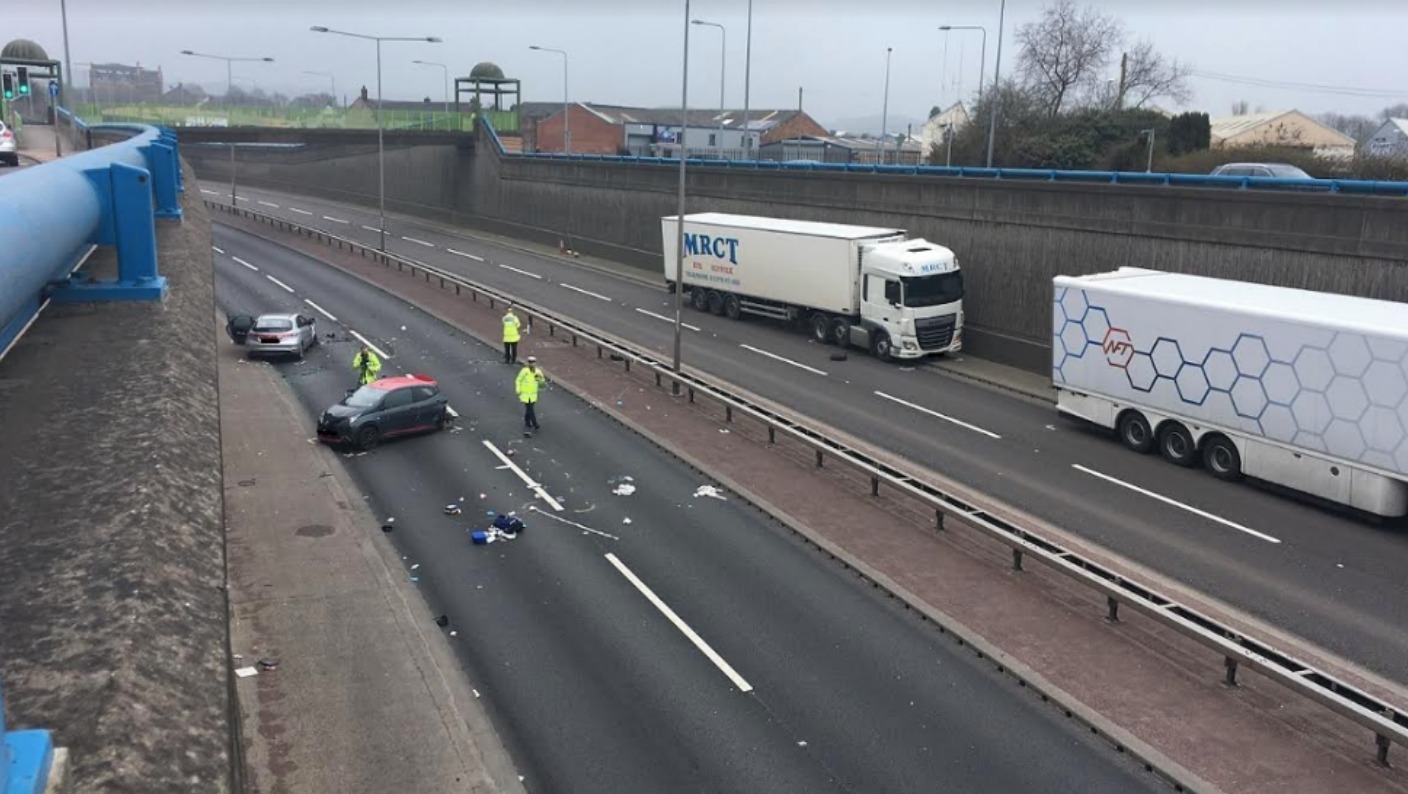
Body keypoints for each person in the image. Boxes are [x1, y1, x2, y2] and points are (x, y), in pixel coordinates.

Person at [515, 355, 547, 432]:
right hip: (525, 393)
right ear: (527, 363)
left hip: (533, 394)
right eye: (530, 362)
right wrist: (518, 390)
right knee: (530, 408)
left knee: (529, 409)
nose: (531, 364)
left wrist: (539, 380)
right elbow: (518, 380)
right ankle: (535, 423)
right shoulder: (524, 371)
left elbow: (542, 383)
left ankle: (527, 421)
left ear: (535, 363)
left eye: (533, 362)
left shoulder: (538, 372)